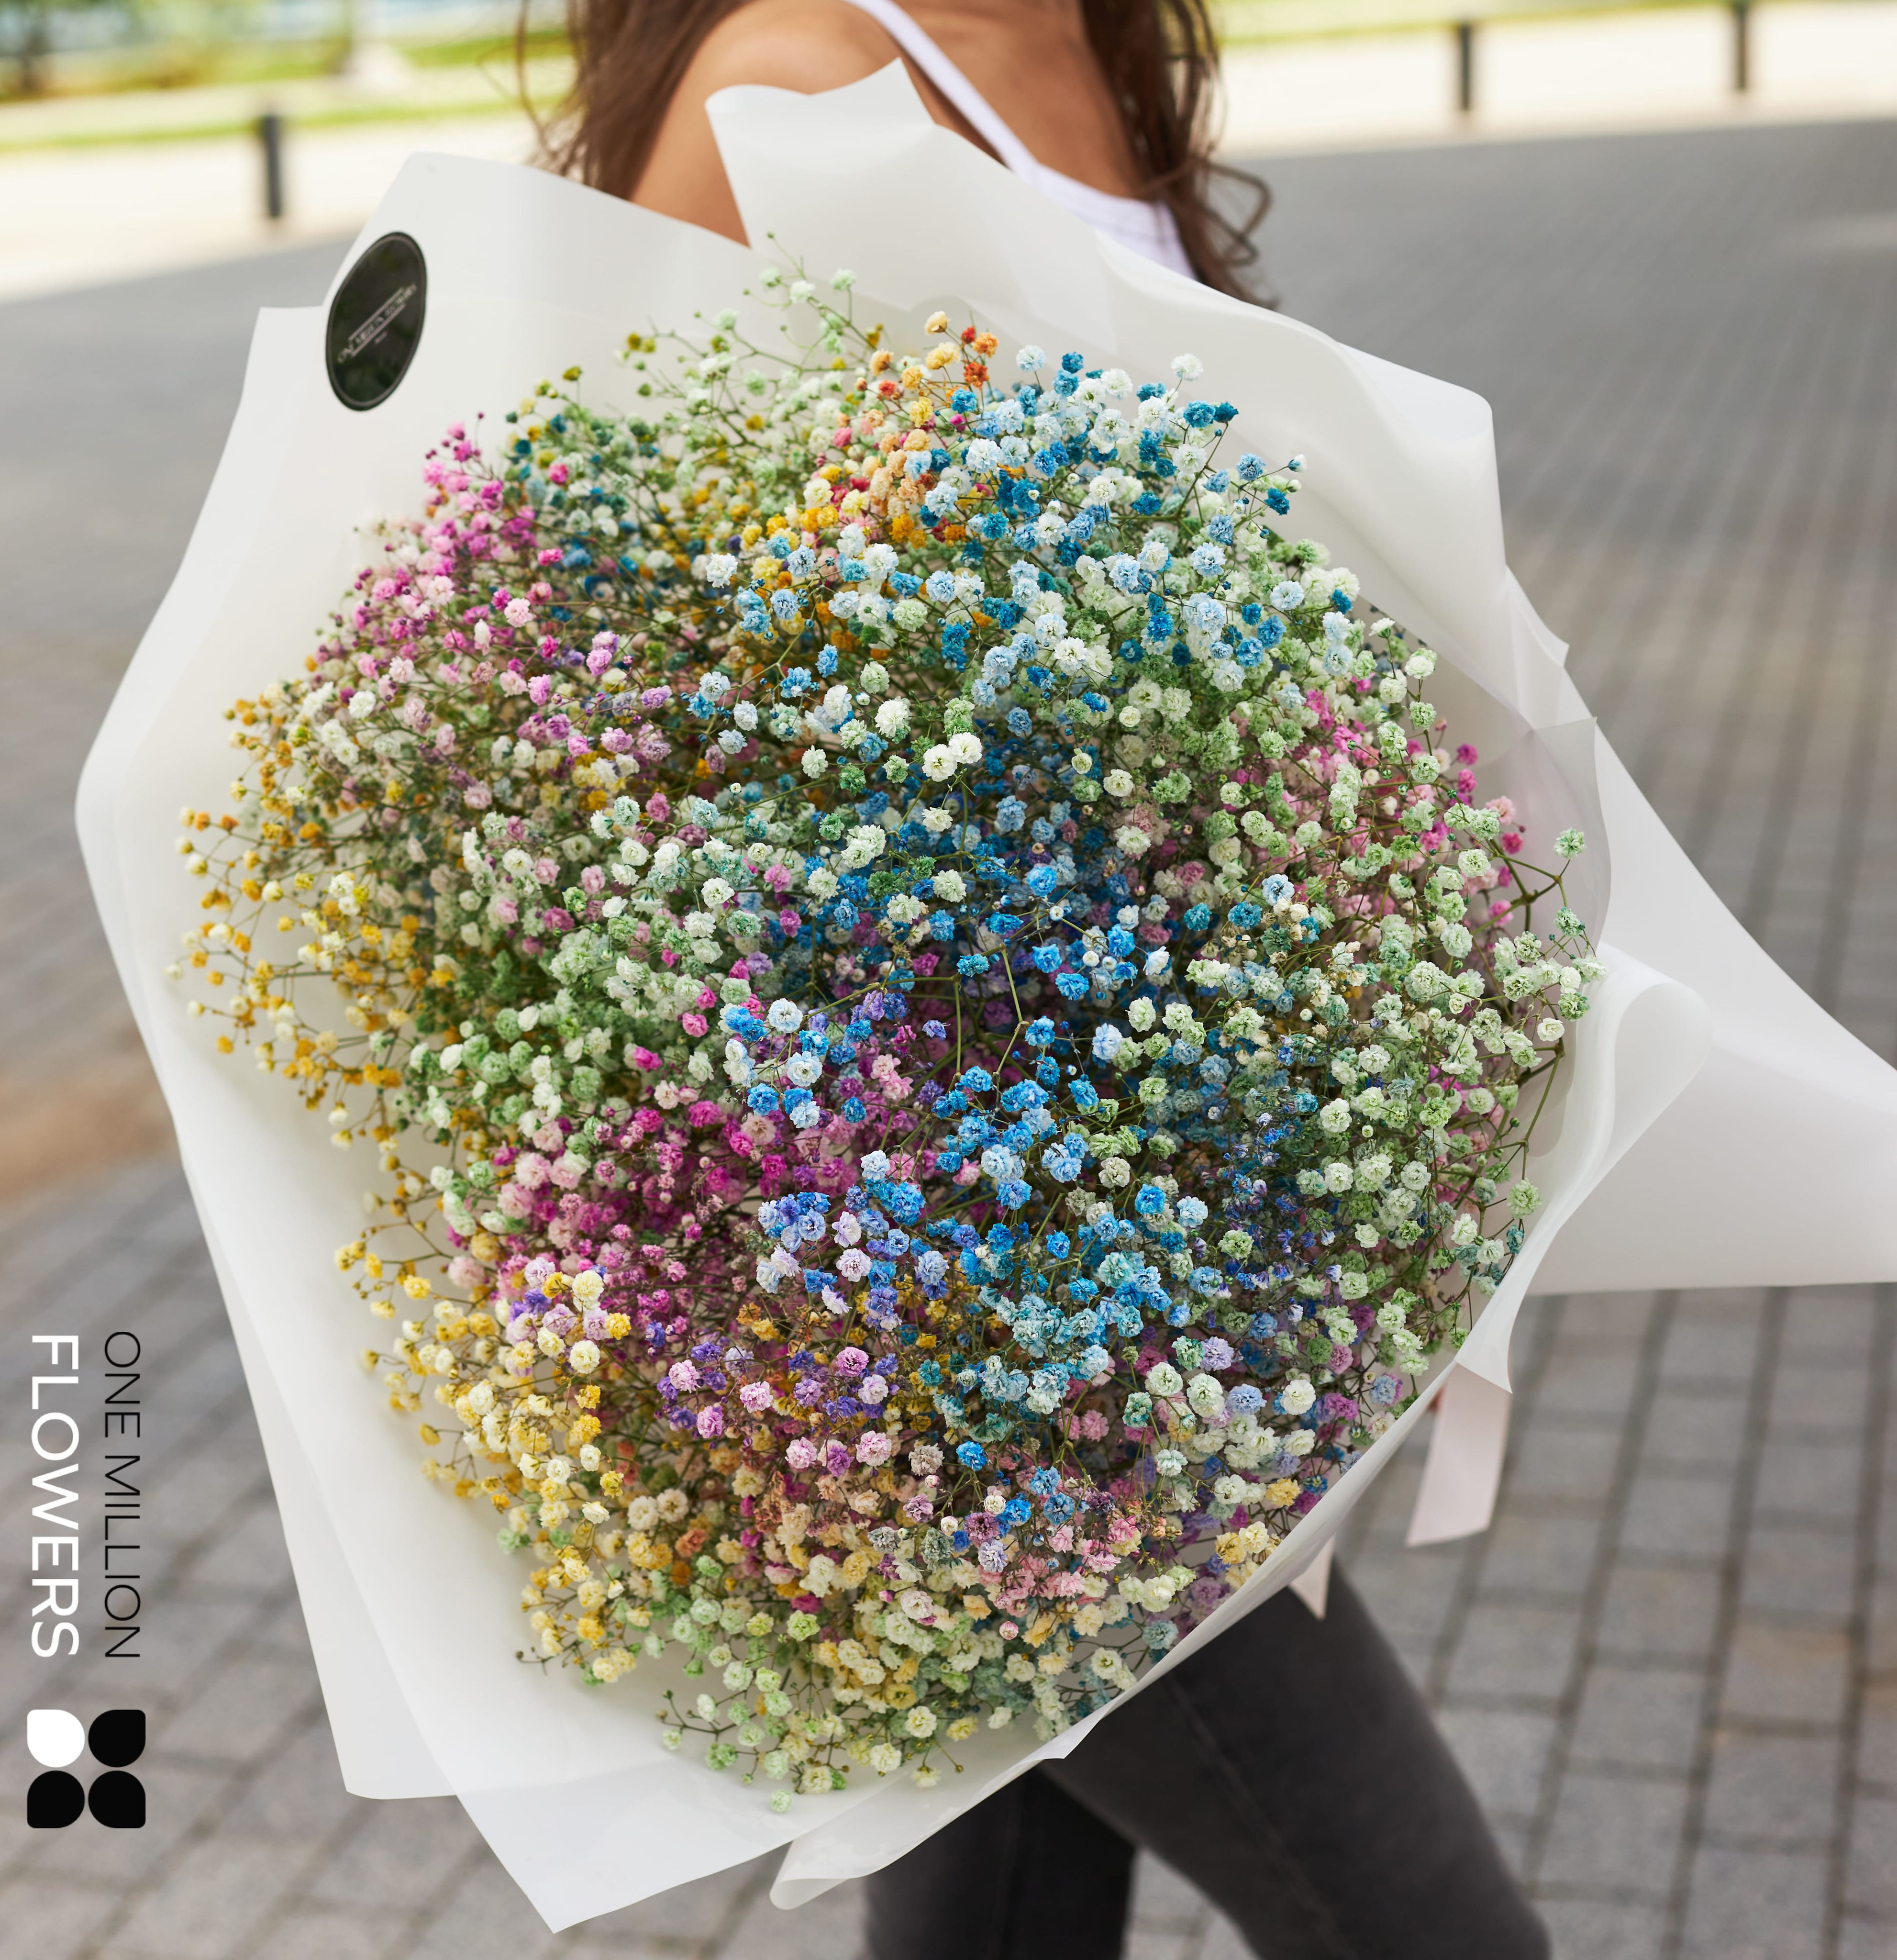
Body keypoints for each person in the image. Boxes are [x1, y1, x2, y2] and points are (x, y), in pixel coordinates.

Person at [535, 7, 1553, 1955]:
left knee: (998, 1897)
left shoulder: (1094, 41)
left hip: (1138, 1194)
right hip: (963, 1295)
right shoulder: (791, 67)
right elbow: (616, 660)